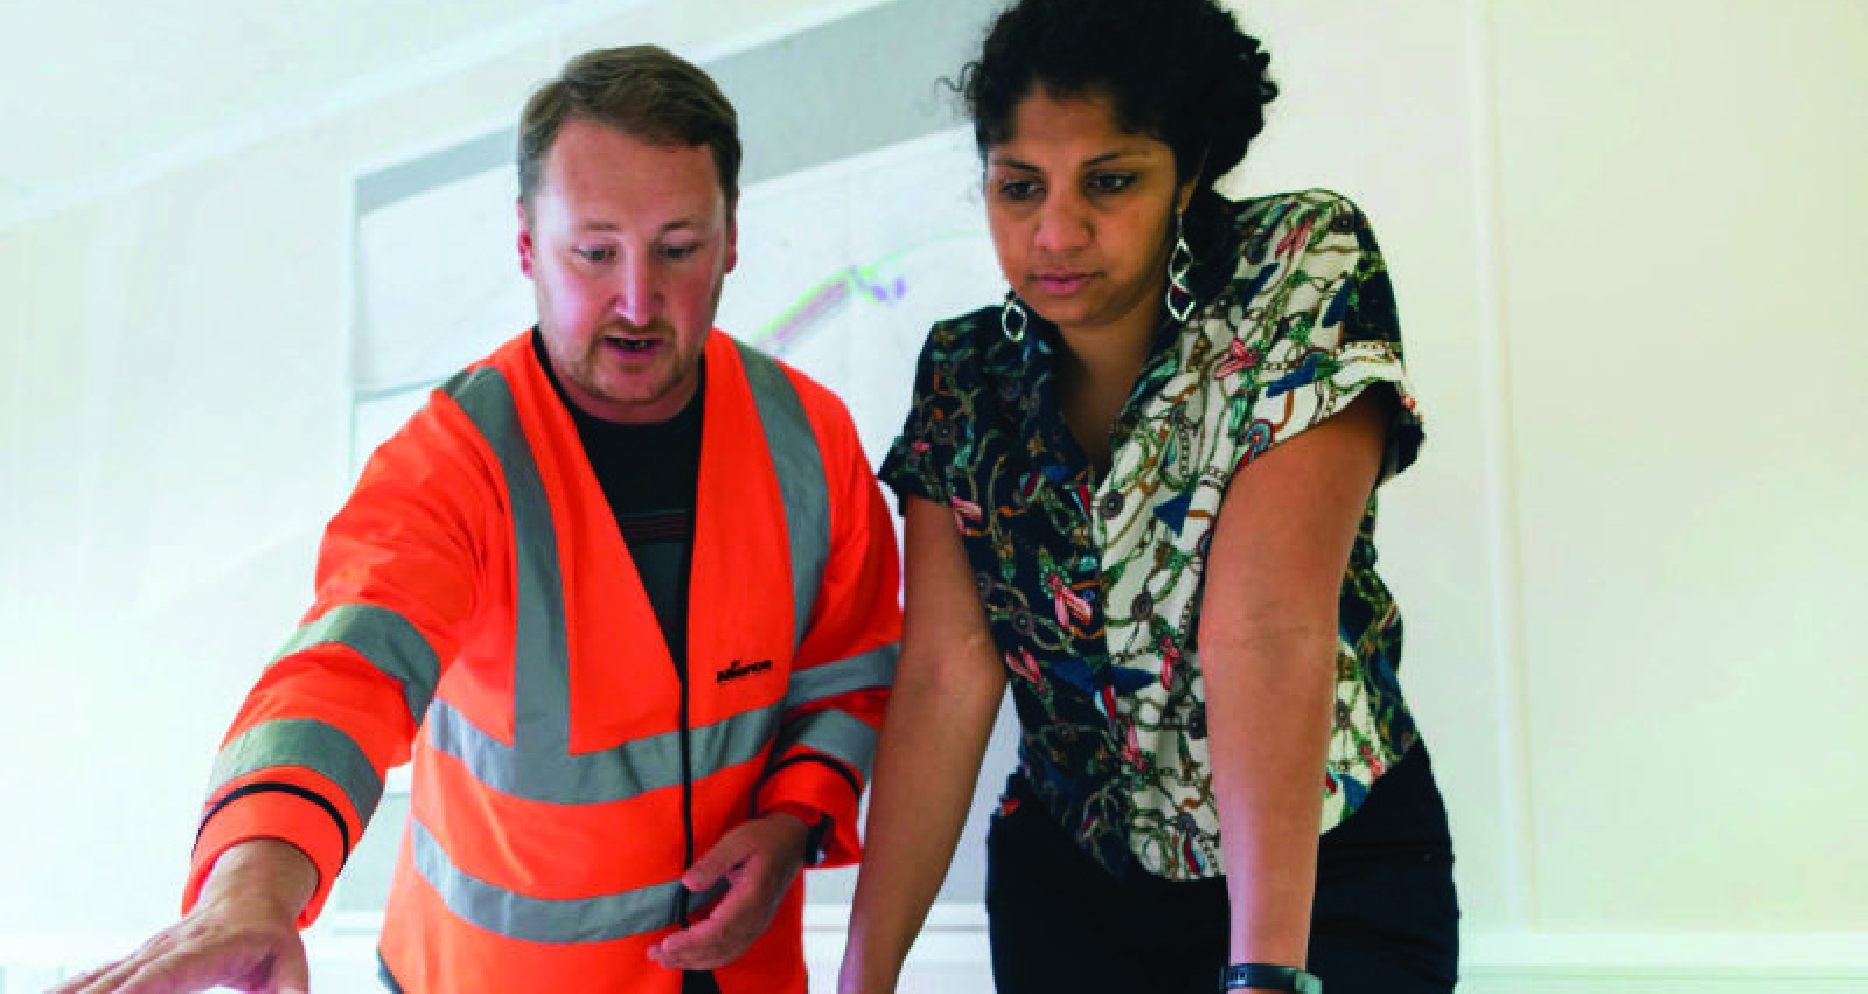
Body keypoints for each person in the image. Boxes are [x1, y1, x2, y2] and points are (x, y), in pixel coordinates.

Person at [55, 45, 901, 994]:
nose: (636, 300)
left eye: (678, 248)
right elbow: (346, 670)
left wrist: (792, 825)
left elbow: (849, 674)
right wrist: (252, 888)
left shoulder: (811, 438)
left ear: (731, 239)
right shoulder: (451, 462)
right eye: (594, 251)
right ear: (527, 245)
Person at [838, 1, 1457, 992]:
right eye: (1017, 187)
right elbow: (945, 677)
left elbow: (1260, 626)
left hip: (1324, 866)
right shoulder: (962, 372)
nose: (1056, 232)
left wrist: (1262, 975)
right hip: (1074, 886)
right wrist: (860, 981)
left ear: (1190, 171)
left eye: (1109, 181)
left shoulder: (1298, 266)